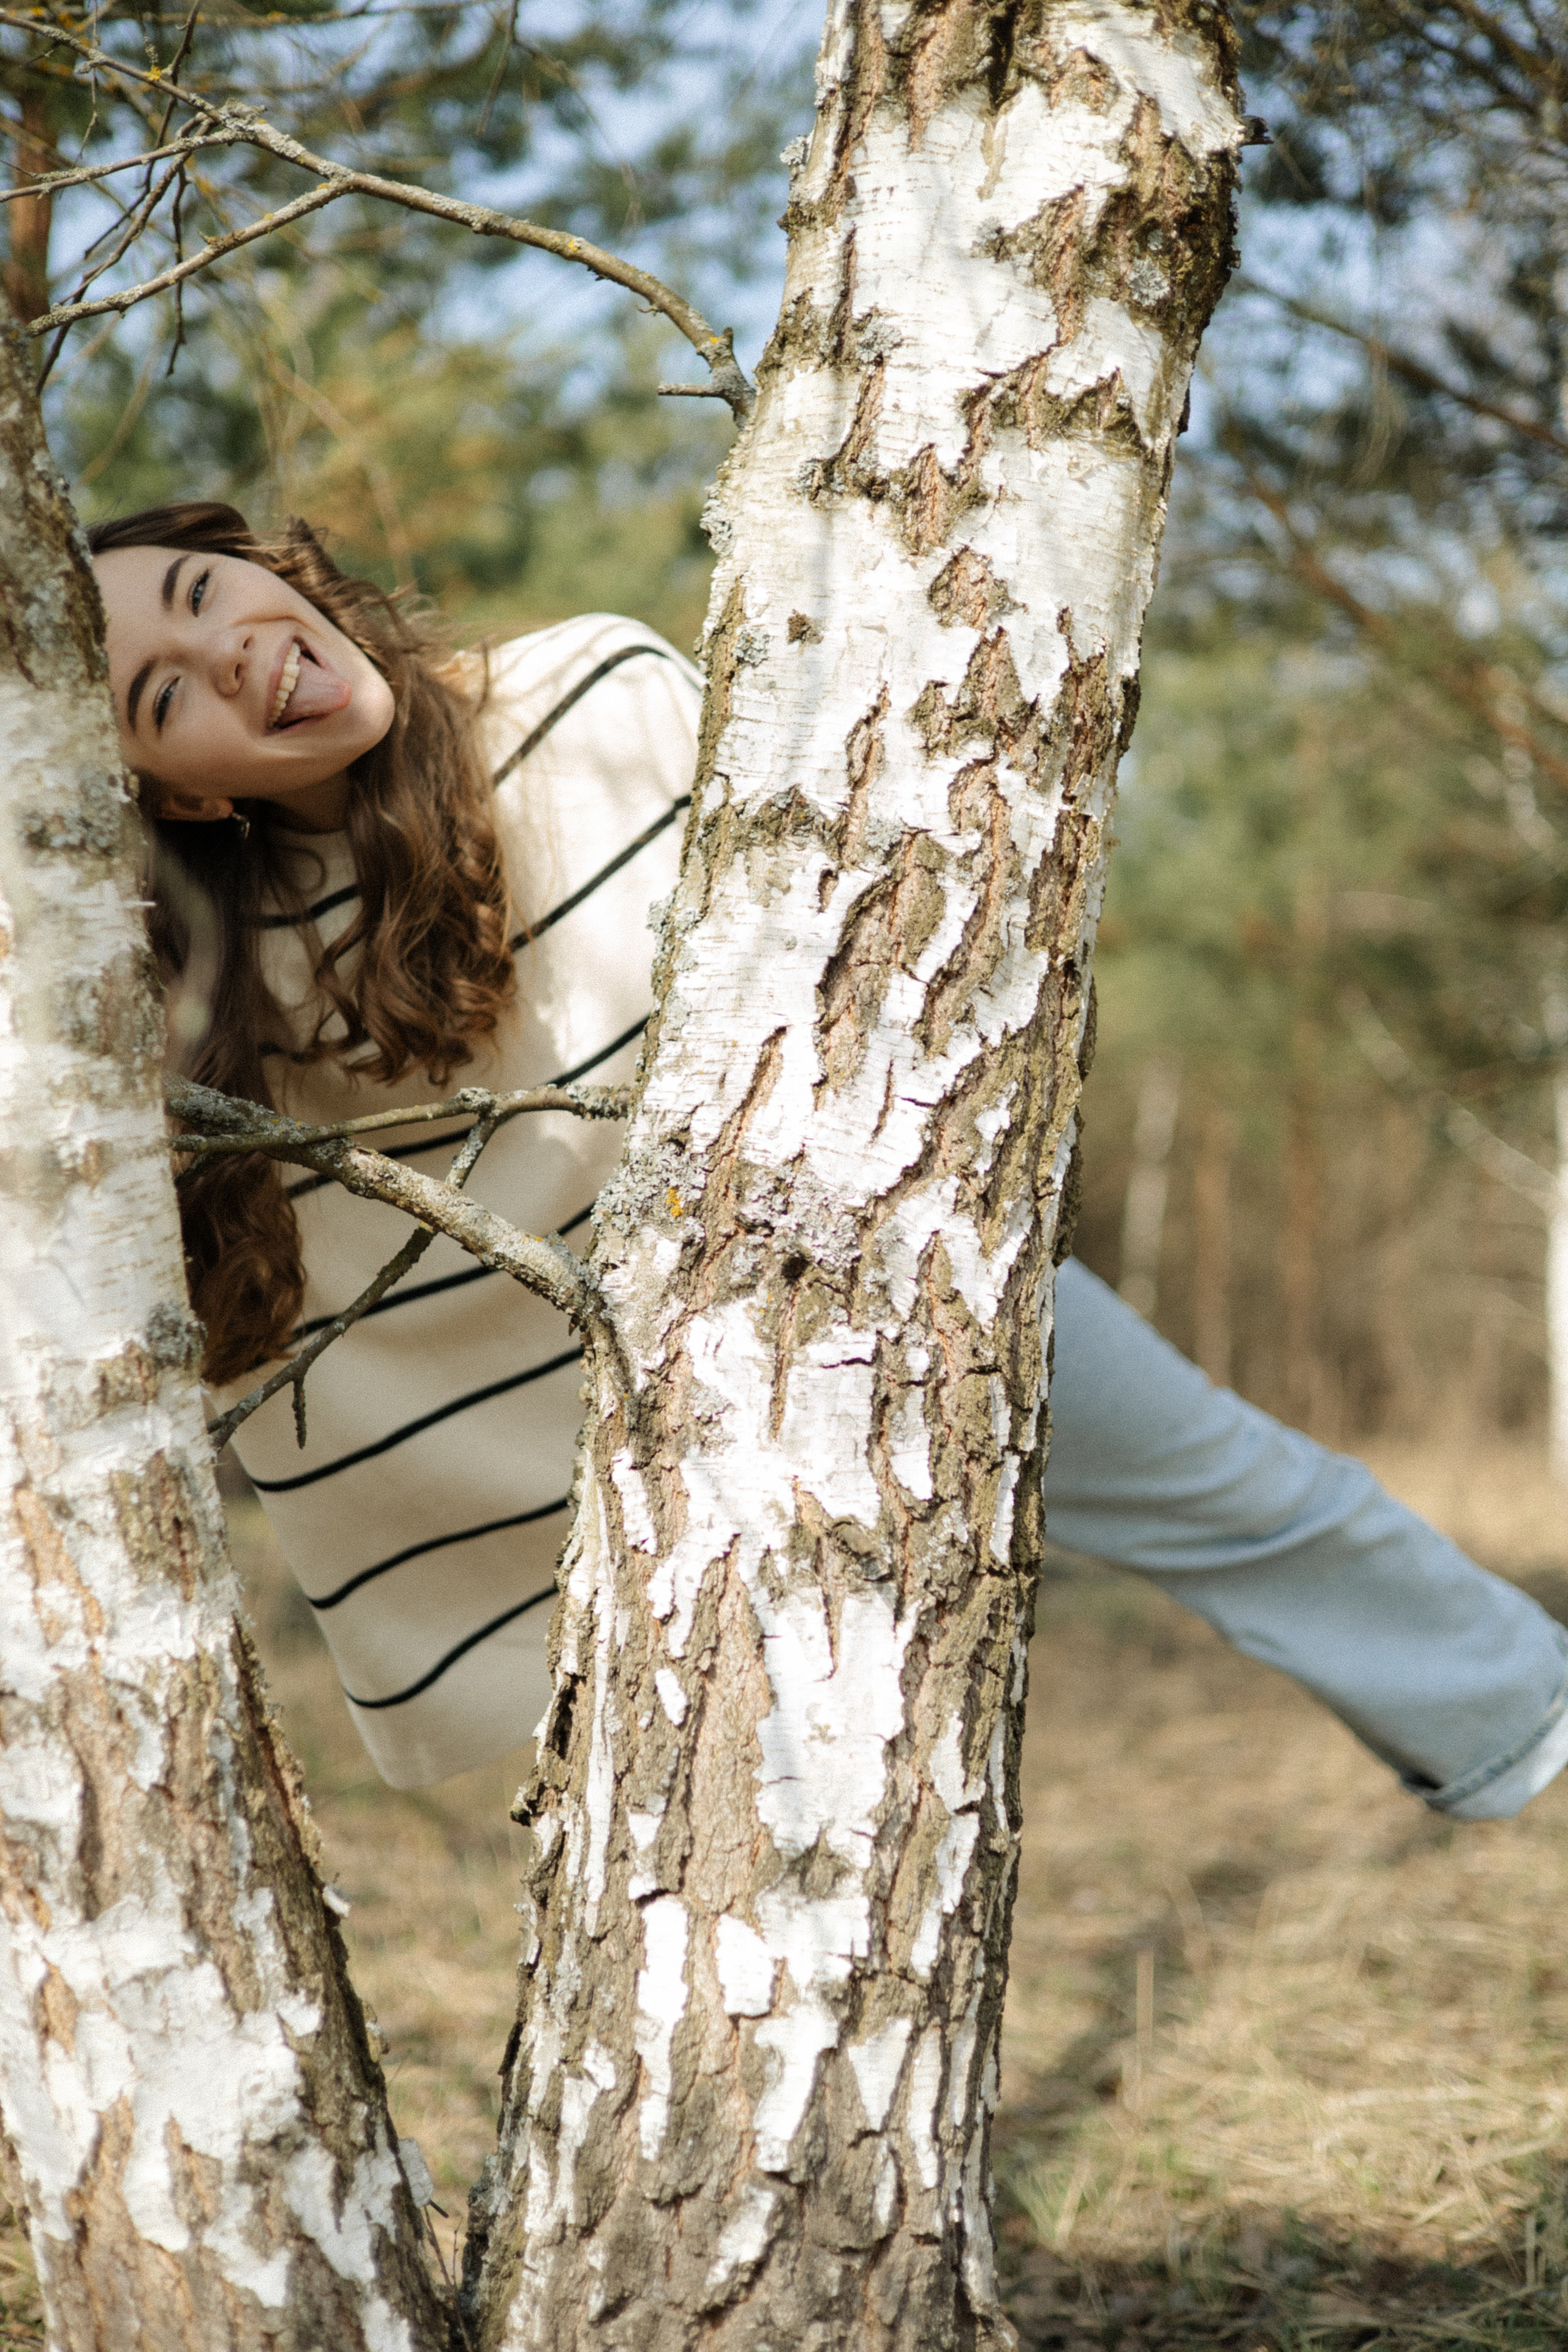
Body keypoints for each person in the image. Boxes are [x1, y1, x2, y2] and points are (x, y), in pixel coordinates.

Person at [90, 500, 1568, 1819]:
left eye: (205, 595)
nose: (225, 658)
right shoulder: (216, 984)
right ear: (182, 797)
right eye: (164, 693)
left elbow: (823, 952)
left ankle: (1523, 1721)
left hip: (877, 1276)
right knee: (774, 1773)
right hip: (620, 1426)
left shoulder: (591, 693)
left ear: (267, 569)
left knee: (1236, 1489)